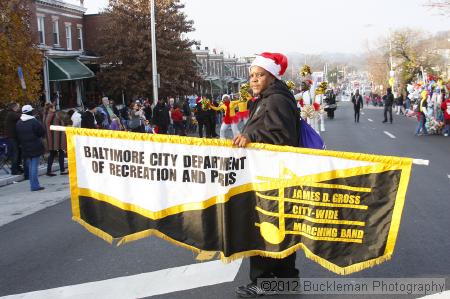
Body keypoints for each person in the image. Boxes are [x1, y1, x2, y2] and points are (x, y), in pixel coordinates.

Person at [233, 52, 300, 298]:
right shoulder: (268, 98)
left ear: (272, 76)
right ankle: (286, 279)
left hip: (271, 176)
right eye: (251, 75)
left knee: (262, 229)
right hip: (273, 174)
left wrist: (251, 137)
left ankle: (263, 281)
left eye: (259, 75)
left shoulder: (276, 101)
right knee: (280, 227)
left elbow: (284, 138)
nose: (254, 80)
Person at [15, 105, 46, 191]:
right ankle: (35, 185)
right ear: (30, 112)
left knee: (30, 166)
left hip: (25, 146)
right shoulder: (33, 121)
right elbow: (42, 131)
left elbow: (17, 135)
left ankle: (33, 184)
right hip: (35, 146)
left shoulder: (19, 122)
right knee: (34, 166)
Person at [43, 103, 68, 176]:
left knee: (52, 154)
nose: (55, 109)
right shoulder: (54, 115)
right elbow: (60, 124)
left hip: (50, 137)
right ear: (50, 108)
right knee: (61, 152)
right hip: (57, 138)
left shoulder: (45, 115)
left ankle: (49, 170)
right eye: (54, 107)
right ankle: (62, 170)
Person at [4, 102, 23, 175]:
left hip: (14, 137)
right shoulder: (11, 114)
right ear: (14, 107)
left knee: (18, 153)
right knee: (15, 153)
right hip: (12, 137)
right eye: (18, 107)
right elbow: (20, 116)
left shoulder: (12, 114)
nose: (19, 108)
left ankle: (18, 168)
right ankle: (14, 170)